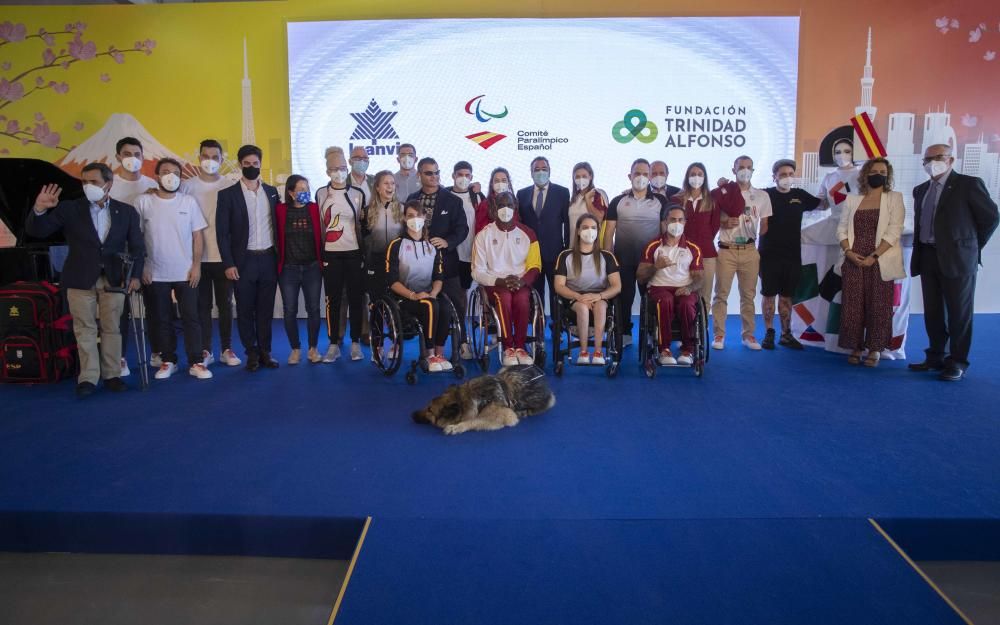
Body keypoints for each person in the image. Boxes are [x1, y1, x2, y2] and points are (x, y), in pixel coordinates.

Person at [26, 163, 145, 397]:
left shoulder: (127, 211)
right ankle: (88, 377)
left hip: (114, 276)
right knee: (84, 329)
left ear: (108, 184)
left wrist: (136, 275)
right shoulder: (69, 208)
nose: (88, 186)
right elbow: (37, 232)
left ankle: (112, 374)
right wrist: (39, 209)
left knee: (112, 328)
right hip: (79, 277)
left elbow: (138, 247)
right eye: (84, 182)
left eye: (94, 182)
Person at [909, 144, 999, 381]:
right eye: (927, 159)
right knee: (934, 312)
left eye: (938, 157)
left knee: (960, 313)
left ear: (951, 159)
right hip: (928, 256)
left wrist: (970, 245)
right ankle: (936, 356)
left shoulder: (968, 185)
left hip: (958, 258)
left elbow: (990, 218)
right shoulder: (921, 190)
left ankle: (957, 361)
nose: (931, 162)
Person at [134, 158, 211, 380]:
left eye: (176, 172)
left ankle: (196, 361)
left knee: (191, 318)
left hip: (186, 271)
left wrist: (196, 265)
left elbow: (198, 236)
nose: (171, 176)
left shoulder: (188, 202)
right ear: (157, 176)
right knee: (161, 318)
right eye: (166, 172)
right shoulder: (143, 202)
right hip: (155, 272)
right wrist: (143, 266)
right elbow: (135, 237)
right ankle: (168, 360)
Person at [216, 143, 281, 371]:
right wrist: (228, 263)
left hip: (268, 259)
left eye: (255, 163)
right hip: (242, 261)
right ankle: (251, 353)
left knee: (265, 308)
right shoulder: (227, 195)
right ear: (240, 165)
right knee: (244, 309)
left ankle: (265, 351)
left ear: (261, 165)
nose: (251, 167)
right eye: (247, 164)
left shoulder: (272, 192)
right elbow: (222, 233)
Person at [836, 157, 906, 366]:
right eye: (874, 171)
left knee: (879, 305)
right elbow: (841, 229)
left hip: (880, 259)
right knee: (852, 305)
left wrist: (873, 256)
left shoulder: (894, 198)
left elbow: (895, 230)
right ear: (866, 174)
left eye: (883, 172)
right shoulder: (852, 199)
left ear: (888, 176)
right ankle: (855, 346)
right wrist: (848, 252)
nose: (879, 175)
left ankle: (875, 349)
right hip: (853, 259)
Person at [180, 139, 241, 368]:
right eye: (205, 157)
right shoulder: (187, 186)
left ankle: (226, 348)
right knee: (202, 306)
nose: (210, 161)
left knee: (226, 305)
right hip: (197, 260)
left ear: (221, 159)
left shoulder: (229, 185)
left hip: (224, 259)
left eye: (215, 157)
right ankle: (206, 349)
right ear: (199, 158)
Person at [602, 158, 670, 345]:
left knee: (650, 298)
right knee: (625, 298)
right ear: (629, 176)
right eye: (637, 173)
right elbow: (609, 233)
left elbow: (665, 231)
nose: (640, 177)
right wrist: (609, 260)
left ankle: (650, 332)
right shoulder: (618, 201)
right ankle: (624, 333)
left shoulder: (661, 201)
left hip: (649, 262)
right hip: (623, 260)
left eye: (644, 174)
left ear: (649, 177)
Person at [407, 157, 470, 356]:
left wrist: (448, 242)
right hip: (419, 265)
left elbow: (462, 229)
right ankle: (429, 348)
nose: (434, 176)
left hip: (447, 262)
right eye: (429, 173)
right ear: (419, 175)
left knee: (456, 303)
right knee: (429, 306)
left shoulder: (452, 200)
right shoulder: (412, 199)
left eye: (436, 172)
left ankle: (462, 342)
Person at [472, 191, 541, 366]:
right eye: (501, 205)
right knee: (504, 297)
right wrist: (498, 281)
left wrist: (522, 281)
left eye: (509, 205)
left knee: (522, 300)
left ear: (515, 207)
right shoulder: (483, 235)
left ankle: (520, 346)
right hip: (495, 282)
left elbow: (535, 266)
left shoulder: (528, 233)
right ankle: (508, 347)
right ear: (494, 208)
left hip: (520, 281)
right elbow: (477, 271)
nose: (505, 209)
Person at [109, 136, 159, 376]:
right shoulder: (110, 185)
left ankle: (158, 351)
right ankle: (119, 358)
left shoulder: (152, 184)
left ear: (142, 156)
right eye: (127, 154)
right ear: (118, 157)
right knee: (121, 310)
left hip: (147, 253)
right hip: (119, 255)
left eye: (137, 154)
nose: (132, 159)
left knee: (155, 305)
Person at [759, 159, 822, 350]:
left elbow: (823, 204)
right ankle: (769, 332)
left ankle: (786, 334)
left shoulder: (800, 195)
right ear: (774, 177)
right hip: (769, 254)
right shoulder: (765, 195)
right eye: (782, 174)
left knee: (787, 296)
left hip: (792, 254)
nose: (787, 178)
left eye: (790, 174)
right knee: (769, 294)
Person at [385, 201, 454, 372]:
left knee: (444, 306)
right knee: (430, 305)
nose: (415, 219)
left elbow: (438, 276)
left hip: (429, 295)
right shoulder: (396, 245)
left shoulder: (432, 246)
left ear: (424, 218)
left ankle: (439, 353)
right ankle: (429, 356)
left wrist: (433, 293)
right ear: (404, 218)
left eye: (418, 215)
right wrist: (414, 295)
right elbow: (392, 280)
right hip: (404, 298)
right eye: (410, 216)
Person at [712, 155, 772, 351]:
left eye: (748, 167)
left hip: (749, 250)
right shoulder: (723, 192)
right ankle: (719, 334)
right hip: (726, 250)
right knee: (721, 294)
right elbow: (712, 218)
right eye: (741, 167)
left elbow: (764, 225)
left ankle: (749, 335)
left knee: (748, 295)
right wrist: (723, 222)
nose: (745, 170)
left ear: (753, 170)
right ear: (733, 169)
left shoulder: (762, 196)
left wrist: (751, 227)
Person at [315, 146, 367, 363]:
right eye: (334, 169)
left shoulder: (358, 193)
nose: (339, 172)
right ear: (327, 171)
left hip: (354, 254)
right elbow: (319, 225)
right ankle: (334, 343)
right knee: (333, 300)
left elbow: (363, 224)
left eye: (342, 168)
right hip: (331, 255)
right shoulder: (320, 194)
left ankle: (355, 342)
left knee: (356, 299)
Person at [670, 162, 743, 311]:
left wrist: (727, 186)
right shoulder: (676, 199)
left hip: (707, 254)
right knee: (682, 293)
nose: (696, 177)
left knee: (704, 295)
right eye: (692, 174)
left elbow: (714, 226)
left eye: (699, 174)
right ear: (686, 177)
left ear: (704, 178)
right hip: (681, 253)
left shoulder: (712, 199)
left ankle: (701, 331)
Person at [637, 206, 704, 366]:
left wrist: (689, 288)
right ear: (665, 222)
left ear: (685, 222)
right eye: (673, 219)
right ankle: (664, 349)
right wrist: (655, 266)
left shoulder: (692, 248)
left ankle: (688, 350)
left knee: (688, 303)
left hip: (684, 287)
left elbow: (700, 279)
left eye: (680, 220)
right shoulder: (653, 245)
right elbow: (640, 277)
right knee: (665, 300)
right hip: (659, 288)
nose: (677, 223)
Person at [554, 214, 622, 365]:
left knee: (601, 307)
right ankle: (583, 352)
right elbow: (558, 285)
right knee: (583, 308)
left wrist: (599, 296)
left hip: (600, 295)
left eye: (593, 228)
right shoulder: (565, 256)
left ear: (598, 231)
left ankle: (598, 352)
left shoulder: (607, 256)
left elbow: (617, 286)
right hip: (574, 297)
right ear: (578, 231)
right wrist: (578, 297)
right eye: (585, 227)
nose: (589, 231)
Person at [276, 175, 324, 365]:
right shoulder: (280, 210)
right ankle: (295, 349)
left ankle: (313, 349)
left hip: (312, 267)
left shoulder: (314, 208)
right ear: (290, 192)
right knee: (289, 311)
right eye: (300, 189)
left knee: (313, 309)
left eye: (307, 188)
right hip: (289, 269)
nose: (305, 192)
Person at [517, 156, 570, 319]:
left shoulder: (562, 192)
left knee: (557, 294)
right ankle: (537, 329)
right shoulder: (522, 193)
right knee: (534, 294)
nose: (541, 172)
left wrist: (566, 250)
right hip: (531, 255)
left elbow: (567, 223)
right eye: (537, 169)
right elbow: (520, 225)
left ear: (549, 171)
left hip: (555, 253)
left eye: (544, 169)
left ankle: (558, 329)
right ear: (531, 173)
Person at [448, 161, 485, 360]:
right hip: (456, 255)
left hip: (478, 254)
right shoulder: (446, 195)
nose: (463, 178)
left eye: (467, 174)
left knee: (485, 295)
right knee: (460, 299)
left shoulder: (477, 196)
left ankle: (492, 335)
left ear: (471, 177)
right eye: (459, 174)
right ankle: (463, 340)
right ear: (453, 175)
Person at [363, 170, 405, 299]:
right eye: (386, 183)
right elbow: (363, 237)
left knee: (396, 300)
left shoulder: (403, 208)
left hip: (396, 262)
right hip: (375, 260)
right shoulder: (367, 211)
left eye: (392, 183)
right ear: (377, 187)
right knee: (376, 298)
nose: (390, 186)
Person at [567, 162, 608, 248]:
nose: (581, 179)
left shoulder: (597, 194)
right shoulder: (574, 197)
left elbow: (599, 218)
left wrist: (588, 201)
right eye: (577, 177)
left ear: (591, 176)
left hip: (592, 246)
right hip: (573, 246)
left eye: (584, 176)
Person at [475, 167, 513, 234]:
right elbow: (480, 230)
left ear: (509, 183)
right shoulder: (485, 205)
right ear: (491, 184)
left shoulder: (514, 203)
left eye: (504, 180)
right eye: (497, 181)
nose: (500, 183)